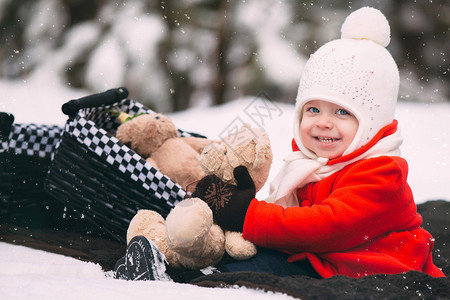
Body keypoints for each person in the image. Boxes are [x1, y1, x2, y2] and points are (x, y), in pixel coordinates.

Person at [114, 7, 445, 281]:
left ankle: (191, 276)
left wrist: (248, 215)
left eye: (342, 112)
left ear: (372, 124)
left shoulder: (381, 173)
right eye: (313, 109)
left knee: (260, 273)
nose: (323, 122)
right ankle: (179, 256)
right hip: (322, 257)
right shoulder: (311, 165)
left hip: (368, 268)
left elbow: (327, 227)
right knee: (252, 251)